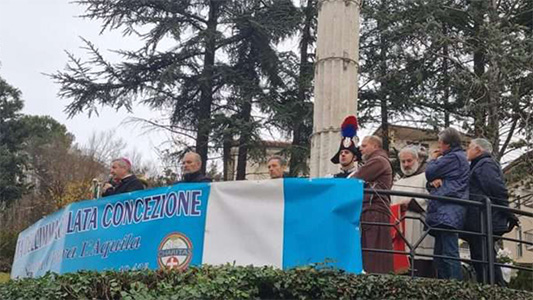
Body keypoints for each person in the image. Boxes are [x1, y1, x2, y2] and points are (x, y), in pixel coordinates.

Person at [464, 138, 515, 286]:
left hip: (485, 219)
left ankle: (495, 288)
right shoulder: (480, 165)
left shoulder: (485, 164)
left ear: (478, 150)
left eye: (470, 147)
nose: (467, 150)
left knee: (484, 256)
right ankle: (492, 287)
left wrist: (507, 212)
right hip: (482, 218)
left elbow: (496, 189)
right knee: (481, 256)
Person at [425, 127, 469, 280]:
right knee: (441, 254)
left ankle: (455, 288)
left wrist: (433, 159)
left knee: (449, 253)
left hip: (447, 210)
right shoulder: (457, 157)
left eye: (440, 144)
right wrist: (433, 183)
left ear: (447, 144)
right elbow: (431, 180)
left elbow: (430, 172)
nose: (438, 147)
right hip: (446, 211)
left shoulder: (453, 157)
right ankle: (446, 287)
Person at [351, 135, 393, 274]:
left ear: (375, 146)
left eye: (364, 146)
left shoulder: (378, 161)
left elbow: (355, 178)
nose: (360, 149)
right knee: (374, 251)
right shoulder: (380, 160)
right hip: (374, 210)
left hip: (374, 210)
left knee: (372, 252)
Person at [391, 146, 435, 278]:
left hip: (420, 231)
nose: (406, 165)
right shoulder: (397, 184)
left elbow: (430, 202)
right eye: (403, 162)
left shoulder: (426, 178)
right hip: (402, 234)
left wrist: (410, 203)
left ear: (417, 160)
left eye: (409, 161)